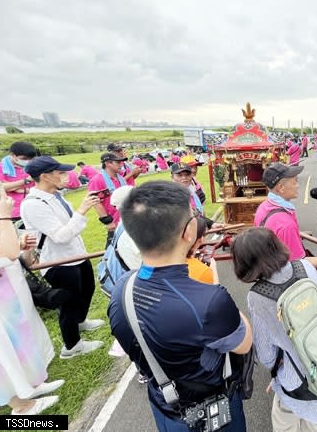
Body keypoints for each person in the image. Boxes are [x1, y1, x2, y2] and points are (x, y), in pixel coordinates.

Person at [108, 181, 252, 431]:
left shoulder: (122, 288)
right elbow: (244, 343)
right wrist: (216, 286)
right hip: (214, 410)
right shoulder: (209, 301)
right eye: (193, 215)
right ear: (188, 233)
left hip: (165, 407)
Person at [231, 228, 317, 431]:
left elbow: (266, 356)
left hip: (297, 379)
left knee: (285, 418)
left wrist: (277, 374)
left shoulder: (257, 297)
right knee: (313, 418)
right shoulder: (304, 267)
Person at [21, 156, 104, 359]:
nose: (66, 177)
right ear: (45, 176)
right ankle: (72, 345)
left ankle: (80, 321)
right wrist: (82, 209)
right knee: (68, 302)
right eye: (60, 173)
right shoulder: (34, 204)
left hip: (76, 254)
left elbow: (70, 229)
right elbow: (60, 236)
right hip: (58, 261)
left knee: (87, 290)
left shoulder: (56, 195)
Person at [0, 185, 65, 415]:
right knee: (2, 358)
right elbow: (7, 252)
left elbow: (5, 252)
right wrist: (4, 216)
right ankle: (21, 411)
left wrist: (17, 245)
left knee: (17, 345)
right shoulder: (1, 215)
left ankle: (30, 387)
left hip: (6, 300)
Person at [254, 163, 317, 270]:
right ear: (281, 188)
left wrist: (296, 234)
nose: (298, 185)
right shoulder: (286, 225)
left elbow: (275, 235)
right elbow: (298, 265)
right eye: (295, 181)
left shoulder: (264, 207)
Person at [89, 152, 128, 247]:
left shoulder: (121, 178)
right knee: (113, 249)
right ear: (108, 163)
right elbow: (95, 202)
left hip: (127, 218)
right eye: (118, 162)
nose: (121, 164)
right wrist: (108, 221)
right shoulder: (97, 180)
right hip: (114, 222)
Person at [0, 142, 38, 222]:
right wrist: (26, 181)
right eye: (24, 158)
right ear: (13, 155)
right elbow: (0, 187)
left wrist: (14, 187)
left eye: (31, 159)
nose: (28, 161)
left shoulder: (33, 166)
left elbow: (40, 186)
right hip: (11, 211)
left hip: (33, 208)